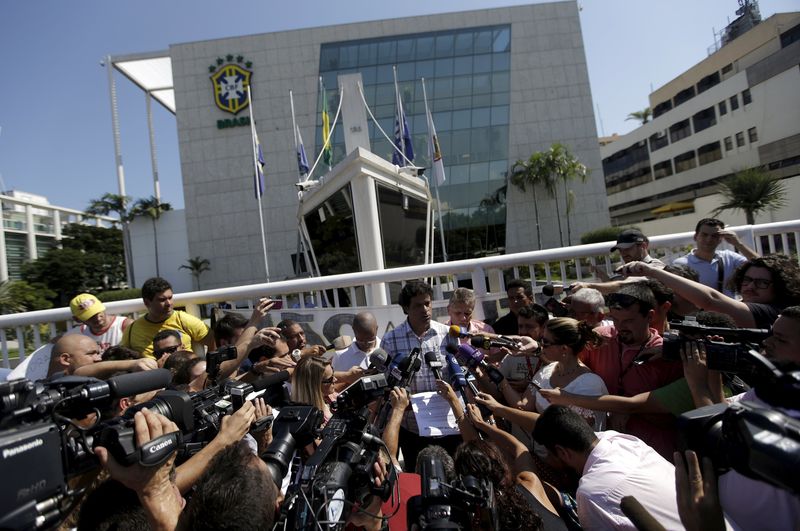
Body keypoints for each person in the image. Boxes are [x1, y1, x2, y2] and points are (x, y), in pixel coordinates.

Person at [532, 405, 683, 530]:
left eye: (549, 454)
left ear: (562, 452)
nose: (547, 459)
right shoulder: (622, 440)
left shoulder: (590, 493)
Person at [579, 284, 683, 458]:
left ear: (650, 316)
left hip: (654, 453)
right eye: (615, 320)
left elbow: (674, 416)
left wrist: (629, 409)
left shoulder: (667, 355)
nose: (620, 327)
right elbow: (570, 365)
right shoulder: (600, 339)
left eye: (628, 321)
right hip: (605, 450)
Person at [380, 279, 455, 471]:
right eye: (418, 305)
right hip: (412, 429)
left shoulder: (446, 334)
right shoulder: (390, 340)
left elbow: (457, 374)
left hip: (448, 427)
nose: (425, 310)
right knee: (417, 484)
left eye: (428, 303)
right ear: (406, 308)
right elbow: (386, 384)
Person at [618, 254, 800, 329]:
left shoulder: (775, 313)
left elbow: (710, 301)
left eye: (761, 283)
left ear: (781, 286)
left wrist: (653, 272)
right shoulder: (746, 305)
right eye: (747, 280)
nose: (750, 286)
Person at [121, 277, 213, 358]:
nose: (169, 303)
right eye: (162, 300)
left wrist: (210, 370)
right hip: (151, 376)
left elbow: (213, 341)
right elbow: (122, 357)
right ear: (147, 302)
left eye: (170, 298)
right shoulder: (132, 330)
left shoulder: (183, 320)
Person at [672, 218, 758, 298]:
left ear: (721, 239)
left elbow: (762, 264)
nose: (709, 239)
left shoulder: (729, 257)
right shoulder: (681, 264)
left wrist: (738, 244)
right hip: (699, 313)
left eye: (714, 236)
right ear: (695, 237)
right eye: (704, 235)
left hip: (730, 311)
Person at [498, 303, 549, 390]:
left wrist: (530, 385)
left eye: (529, 327)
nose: (523, 331)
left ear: (543, 328)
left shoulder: (554, 353)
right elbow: (497, 386)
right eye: (520, 326)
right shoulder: (512, 354)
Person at [330, 311, 379, 389]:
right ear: (353, 330)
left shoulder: (386, 348)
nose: (366, 343)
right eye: (361, 340)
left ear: (377, 329)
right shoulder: (340, 355)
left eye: (370, 339)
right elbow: (331, 386)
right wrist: (349, 378)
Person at [291, 355, 337, 423]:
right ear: (314, 386)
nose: (335, 379)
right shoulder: (311, 420)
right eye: (330, 379)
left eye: (333, 374)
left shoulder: (330, 396)